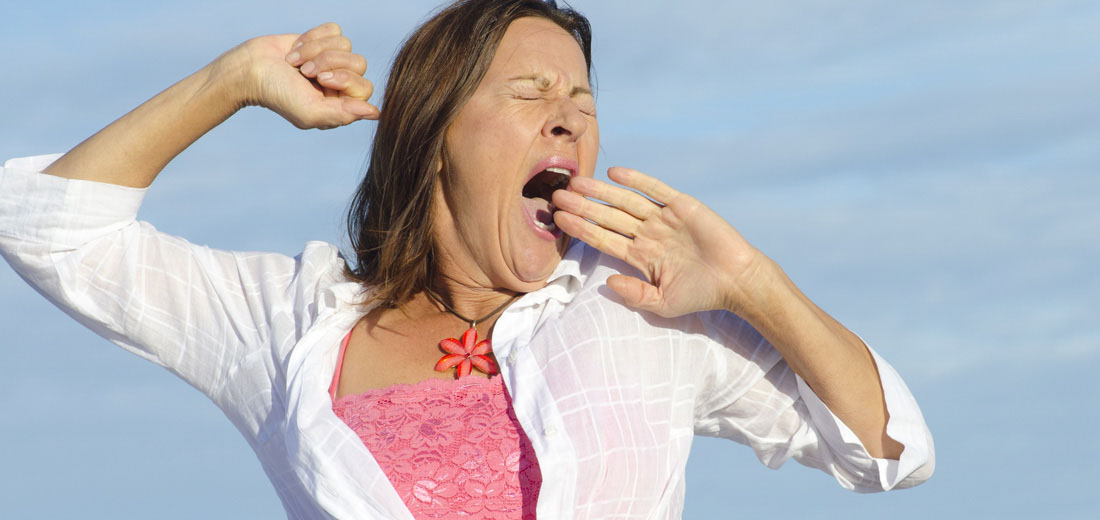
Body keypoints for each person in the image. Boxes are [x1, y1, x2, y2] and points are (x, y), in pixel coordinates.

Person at [0, 0, 933, 518]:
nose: (568, 114)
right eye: (529, 91)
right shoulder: (288, 321)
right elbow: (44, 226)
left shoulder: (645, 314)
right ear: (434, 132)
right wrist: (234, 78)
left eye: (581, 98)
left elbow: (890, 449)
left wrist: (753, 285)